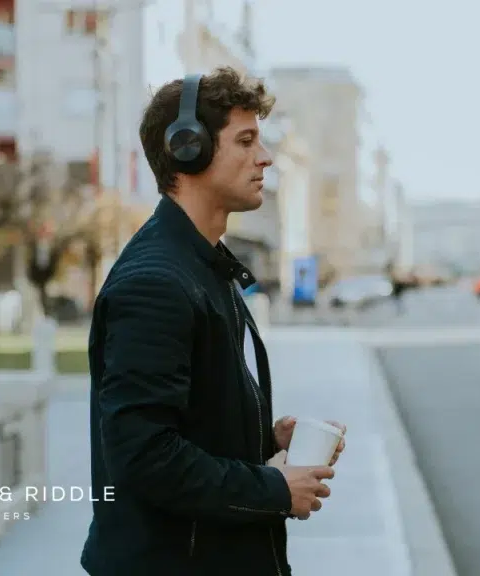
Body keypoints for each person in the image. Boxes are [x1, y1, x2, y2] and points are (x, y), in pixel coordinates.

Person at [80, 68, 346, 576]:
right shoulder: (156, 282)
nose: (264, 157)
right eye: (245, 141)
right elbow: (144, 455)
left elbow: (187, 424)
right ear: (189, 150)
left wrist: (266, 441)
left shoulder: (203, 265)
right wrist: (273, 489)